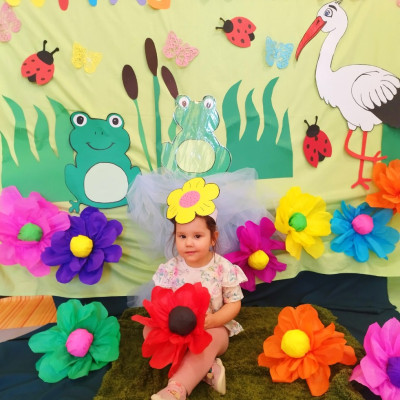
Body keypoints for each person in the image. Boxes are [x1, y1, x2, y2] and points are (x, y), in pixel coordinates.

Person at [149, 213, 247, 400]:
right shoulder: (171, 268)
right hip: (179, 331)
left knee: (209, 341)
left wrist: (214, 320)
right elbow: (160, 300)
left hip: (212, 329)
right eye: (182, 236)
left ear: (213, 238)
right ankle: (208, 369)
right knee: (149, 332)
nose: (188, 243)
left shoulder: (222, 267)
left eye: (197, 236)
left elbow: (234, 303)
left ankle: (177, 389)